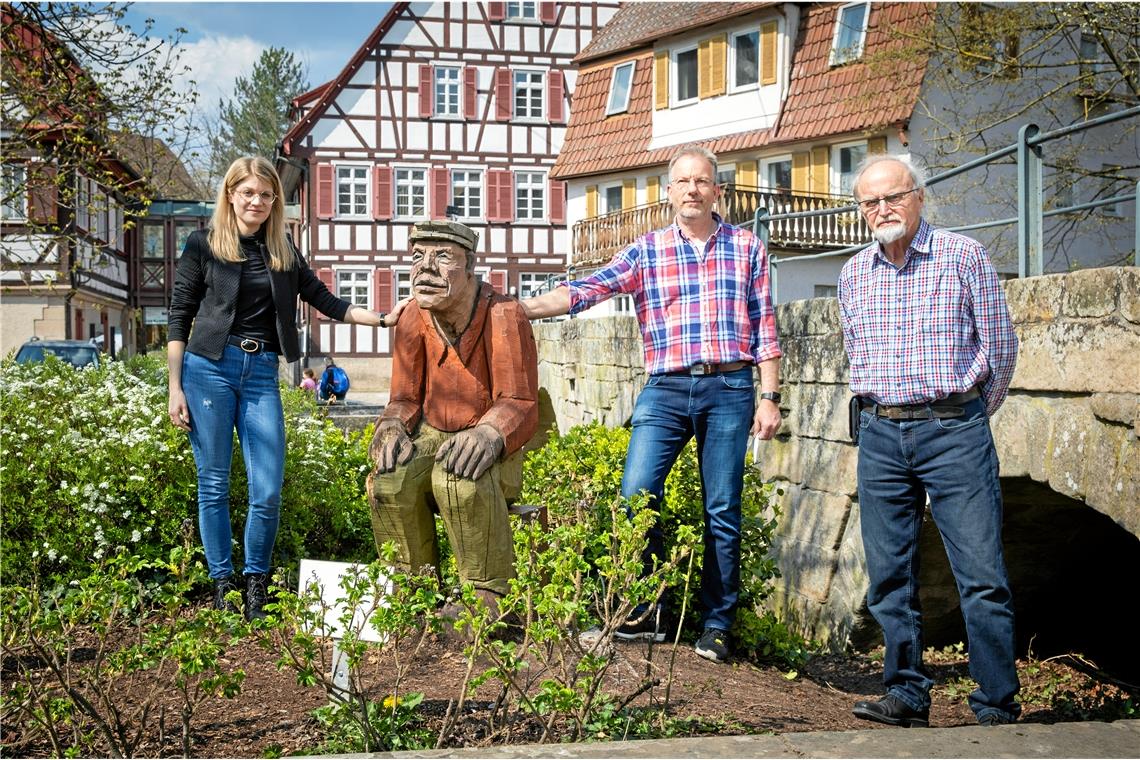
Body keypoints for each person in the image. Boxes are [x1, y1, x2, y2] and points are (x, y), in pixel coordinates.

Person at [521, 144, 782, 663]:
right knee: (637, 494)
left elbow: (765, 327)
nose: (692, 189)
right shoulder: (647, 250)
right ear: (669, 193)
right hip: (664, 388)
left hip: (730, 388)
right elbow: (587, 290)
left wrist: (770, 397)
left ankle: (716, 625)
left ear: (717, 191)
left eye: (702, 182)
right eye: (682, 182)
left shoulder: (747, 247)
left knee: (723, 508)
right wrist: (514, 310)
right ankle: (644, 616)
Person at [167, 156, 401, 621]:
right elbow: (179, 315)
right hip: (206, 369)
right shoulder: (203, 244)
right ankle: (222, 585)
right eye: (248, 192)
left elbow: (324, 298)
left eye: (266, 194)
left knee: (267, 488)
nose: (257, 201)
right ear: (230, 194)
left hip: (260, 373)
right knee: (212, 483)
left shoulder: (282, 250)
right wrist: (174, 386)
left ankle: (256, 584)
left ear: (275, 201)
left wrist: (380, 318)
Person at [839, 154, 1020, 727]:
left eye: (893, 197)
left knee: (981, 576)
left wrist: (964, 418)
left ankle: (995, 703)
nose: (882, 209)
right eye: (870, 202)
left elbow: (1001, 349)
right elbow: (855, 351)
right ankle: (908, 693)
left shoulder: (963, 257)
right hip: (880, 433)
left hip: (953, 431)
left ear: (918, 195)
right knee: (889, 576)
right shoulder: (853, 273)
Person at [367, 219, 538, 608]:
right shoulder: (413, 315)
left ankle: (488, 591)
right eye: (417, 256)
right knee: (391, 480)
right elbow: (405, 396)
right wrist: (392, 424)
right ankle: (411, 589)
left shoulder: (503, 314)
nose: (425, 267)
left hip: (495, 443)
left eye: (443, 256)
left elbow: (519, 401)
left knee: (459, 478)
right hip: (432, 434)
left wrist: (489, 433)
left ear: (470, 264)